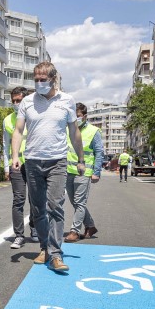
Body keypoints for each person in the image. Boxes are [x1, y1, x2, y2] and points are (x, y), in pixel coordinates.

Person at [11, 61, 85, 273]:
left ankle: (55, 253)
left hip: (57, 161)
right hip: (33, 161)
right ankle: (44, 246)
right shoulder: (27, 101)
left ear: (53, 79)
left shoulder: (67, 101)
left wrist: (81, 159)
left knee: (55, 206)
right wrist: (15, 155)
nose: (39, 83)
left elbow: (74, 132)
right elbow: (18, 130)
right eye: (36, 80)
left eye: (43, 80)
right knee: (38, 210)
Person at [64, 103, 104, 243]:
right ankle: (90, 226)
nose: (76, 119)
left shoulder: (94, 131)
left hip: (84, 172)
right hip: (68, 171)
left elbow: (99, 153)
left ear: (85, 116)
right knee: (75, 202)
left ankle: (74, 231)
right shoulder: (68, 129)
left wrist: (96, 172)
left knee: (79, 202)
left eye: (78, 116)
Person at [4, 86, 37, 249]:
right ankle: (18, 235)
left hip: (33, 163)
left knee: (35, 199)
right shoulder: (8, 120)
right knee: (18, 200)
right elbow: (5, 145)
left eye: (19, 100)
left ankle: (34, 228)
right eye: (14, 101)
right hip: (15, 165)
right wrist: (5, 166)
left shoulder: (34, 117)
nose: (16, 103)